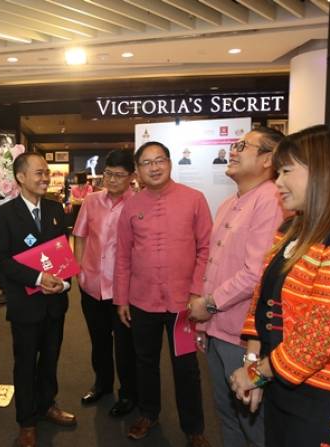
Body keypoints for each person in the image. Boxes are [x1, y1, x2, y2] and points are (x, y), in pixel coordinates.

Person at [229, 125, 330, 447]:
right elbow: (262, 299)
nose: (278, 182)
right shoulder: (292, 228)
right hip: (285, 387)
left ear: (321, 171)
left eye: (286, 171)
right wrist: (253, 364)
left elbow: (327, 330)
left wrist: (258, 373)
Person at [189, 127, 285, 447]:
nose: (233, 150)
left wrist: (209, 304)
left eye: (243, 145)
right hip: (218, 328)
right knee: (227, 413)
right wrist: (204, 323)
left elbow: (255, 272)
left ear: (268, 159)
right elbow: (214, 264)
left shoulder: (271, 200)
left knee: (251, 418)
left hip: (245, 336)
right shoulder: (229, 202)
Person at [114, 141, 213, 446]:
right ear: (138, 170)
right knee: (145, 362)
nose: (154, 167)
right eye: (146, 162)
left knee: (186, 367)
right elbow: (123, 255)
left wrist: (196, 291)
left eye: (159, 160)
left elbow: (206, 249)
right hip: (142, 301)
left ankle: (194, 428)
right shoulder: (131, 206)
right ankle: (148, 414)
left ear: (170, 163)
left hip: (183, 304)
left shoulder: (194, 199)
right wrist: (121, 299)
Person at [0, 152, 76, 447]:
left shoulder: (55, 208)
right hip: (25, 305)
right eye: (39, 173)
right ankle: (26, 421)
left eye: (47, 172)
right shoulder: (4, 215)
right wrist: (39, 279)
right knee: (25, 364)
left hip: (55, 303)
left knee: (51, 359)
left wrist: (63, 283)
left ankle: (47, 404)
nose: (45, 178)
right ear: (21, 177)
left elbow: (64, 252)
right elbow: (1, 260)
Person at [73, 150, 138, 417]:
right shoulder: (91, 200)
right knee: (98, 340)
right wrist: (79, 271)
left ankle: (129, 393)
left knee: (125, 346)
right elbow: (80, 235)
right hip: (92, 285)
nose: (111, 180)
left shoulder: (138, 203)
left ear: (131, 176)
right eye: (108, 173)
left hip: (124, 290)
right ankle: (102, 384)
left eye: (119, 175)